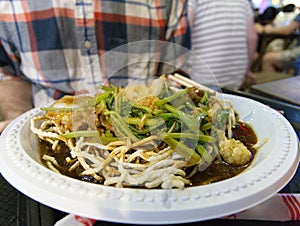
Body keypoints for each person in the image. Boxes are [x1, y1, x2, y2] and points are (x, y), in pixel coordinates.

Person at [0, 0, 191, 133]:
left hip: (143, 131)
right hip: (52, 130)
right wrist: (19, 126)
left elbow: (173, 75)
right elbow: (8, 73)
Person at [188, 0, 258, 90]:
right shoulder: (244, 2)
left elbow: (185, 30)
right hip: (236, 77)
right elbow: (252, 38)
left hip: (204, 76)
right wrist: (247, 70)